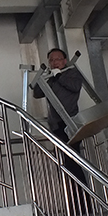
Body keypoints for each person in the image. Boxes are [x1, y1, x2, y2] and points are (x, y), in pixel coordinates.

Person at [33, 48, 87, 186]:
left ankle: (82, 195)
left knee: (72, 161)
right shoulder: (51, 78)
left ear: (64, 61)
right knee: (63, 162)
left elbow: (75, 87)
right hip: (56, 125)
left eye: (57, 59)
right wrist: (43, 77)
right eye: (51, 60)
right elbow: (37, 93)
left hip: (71, 124)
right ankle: (71, 194)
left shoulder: (72, 73)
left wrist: (59, 76)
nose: (54, 62)